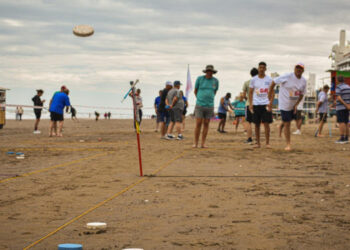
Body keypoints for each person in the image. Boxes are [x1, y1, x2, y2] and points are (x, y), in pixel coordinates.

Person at [268, 63, 307, 151]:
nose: (298, 70)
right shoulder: (287, 76)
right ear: (294, 69)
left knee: (293, 120)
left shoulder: (303, 81)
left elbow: (302, 94)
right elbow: (274, 82)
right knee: (287, 124)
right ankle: (288, 144)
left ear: (303, 71)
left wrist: (296, 105)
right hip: (284, 104)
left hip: (293, 105)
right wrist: (269, 95)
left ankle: (280, 126)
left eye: (300, 68)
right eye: (297, 68)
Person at [193, 65, 219, 148]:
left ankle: (203, 143)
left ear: (213, 72)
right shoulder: (200, 79)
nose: (209, 72)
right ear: (206, 71)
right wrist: (200, 98)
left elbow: (215, 92)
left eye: (211, 71)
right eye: (208, 71)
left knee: (206, 123)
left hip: (210, 105)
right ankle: (196, 143)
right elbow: (195, 90)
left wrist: (209, 98)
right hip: (200, 104)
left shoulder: (215, 81)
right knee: (198, 123)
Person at [249, 62, 273, 148]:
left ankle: (267, 143)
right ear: (258, 68)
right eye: (260, 67)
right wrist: (251, 104)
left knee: (266, 124)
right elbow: (250, 92)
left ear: (266, 69)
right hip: (256, 104)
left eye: (263, 67)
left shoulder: (269, 79)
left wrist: (270, 103)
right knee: (256, 124)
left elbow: (272, 92)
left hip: (265, 104)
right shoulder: (253, 79)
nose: (262, 69)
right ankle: (258, 143)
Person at [242, 68, 258, 144]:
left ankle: (249, 138)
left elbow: (244, 95)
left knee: (248, 122)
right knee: (257, 122)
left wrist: (247, 99)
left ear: (250, 74)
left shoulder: (247, 83)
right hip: (258, 104)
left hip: (249, 104)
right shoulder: (259, 83)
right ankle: (257, 139)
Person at [335, 75, 350, 144]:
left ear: (337, 80)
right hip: (347, 107)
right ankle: (347, 138)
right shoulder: (348, 87)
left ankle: (342, 138)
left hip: (341, 107)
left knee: (341, 122)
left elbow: (339, 98)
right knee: (346, 122)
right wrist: (348, 105)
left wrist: (345, 104)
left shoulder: (338, 87)